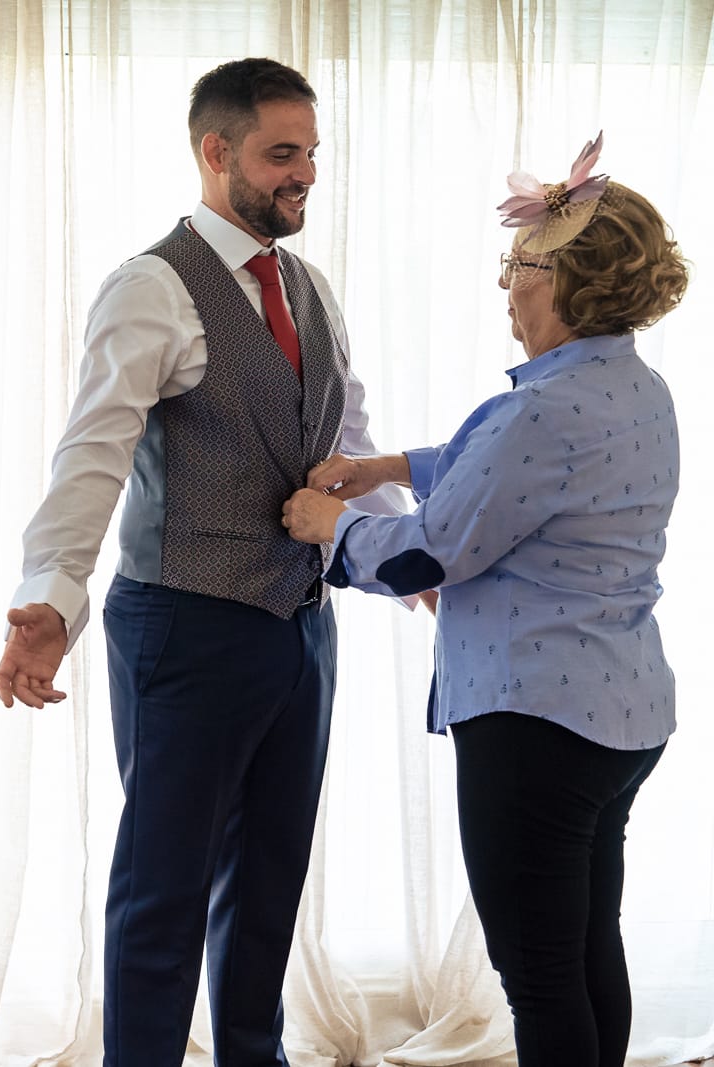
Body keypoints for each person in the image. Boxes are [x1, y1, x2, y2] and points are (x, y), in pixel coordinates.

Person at [0, 57, 408, 1066]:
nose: (302, 173)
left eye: (310, 152)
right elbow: (90, 452)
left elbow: (343, 439)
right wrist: (50, 597)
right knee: (163, 889)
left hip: (301, 630)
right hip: (184, 623)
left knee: (267, 885)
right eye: (280, 153)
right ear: (213, 151)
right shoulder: (150, 287)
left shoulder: (308, 287)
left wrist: (412, 555)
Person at [282, 133, 687, 1066]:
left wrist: (325, 525)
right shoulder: (635, 387)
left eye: (522, 265)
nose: (507, 284)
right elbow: (506, 476)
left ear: (576, 281)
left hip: (535, 723)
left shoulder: (539, 411)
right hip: (621, 716)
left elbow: (431, 551)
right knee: (588, 951)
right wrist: (387, 466)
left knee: (540, 974)